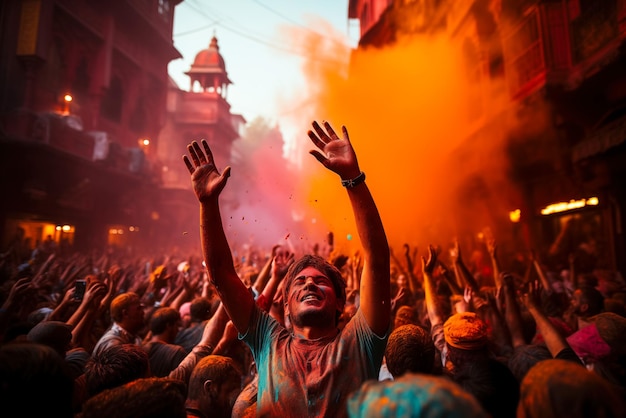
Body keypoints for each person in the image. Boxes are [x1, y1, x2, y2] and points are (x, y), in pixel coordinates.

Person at [183, 120, 390, 417]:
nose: (309, 284)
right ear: (286, 307)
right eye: (301, 282)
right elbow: (221, 276)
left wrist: (353, 178)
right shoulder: (267, 341)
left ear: (341, 303)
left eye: (320, 281)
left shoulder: (360, 343)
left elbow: (378, 259)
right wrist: (208, 204)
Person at [92, 292, 146, 357]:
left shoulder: (135, 339)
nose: (143, 312)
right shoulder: (112, 344)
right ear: (125, 313)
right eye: (139, 308)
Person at [143, 306, 188, 377]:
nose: (178, 330)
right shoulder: (176, 353)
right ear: (168, 326)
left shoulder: (140, 350)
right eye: (177, 325)